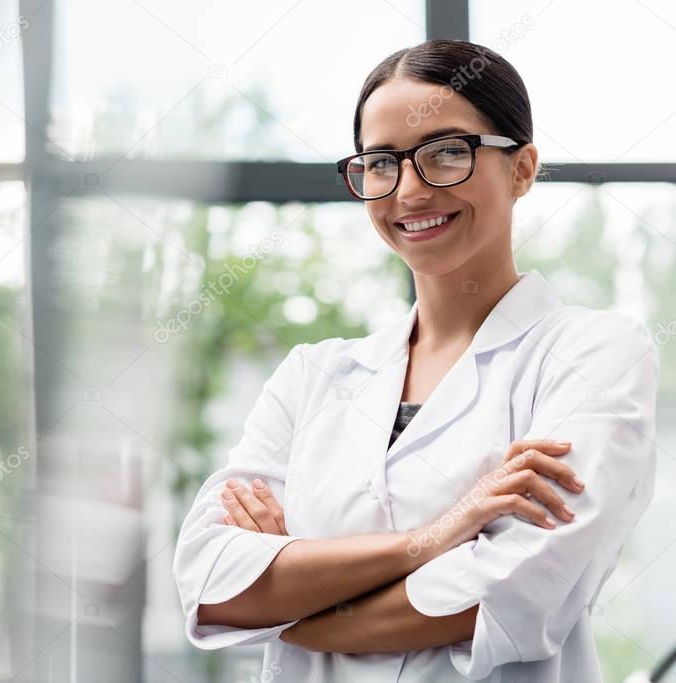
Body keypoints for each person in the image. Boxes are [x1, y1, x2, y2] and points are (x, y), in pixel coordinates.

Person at [172, 39, 660, 682]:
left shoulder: (594, 354)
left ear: (522, 169)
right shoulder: (313, 375)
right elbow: (211, 584)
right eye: (381, 163)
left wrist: (294, 605)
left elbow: (519, 591)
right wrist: (435, 538)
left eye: (447, 153)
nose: (409, 190)